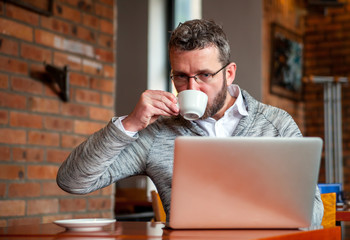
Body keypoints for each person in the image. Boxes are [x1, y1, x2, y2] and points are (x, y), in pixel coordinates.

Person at [57, 19, 323, 226]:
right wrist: (130, 124)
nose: (191, 88)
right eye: (181, 77)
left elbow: (313, 212)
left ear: (229, 73)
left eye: (204, 75)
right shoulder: (158, 133)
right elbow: (73, 181)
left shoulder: (275, 124)